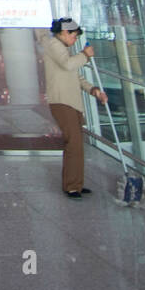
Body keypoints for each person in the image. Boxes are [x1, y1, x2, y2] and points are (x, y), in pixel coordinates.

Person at [38, 18, 107, 198]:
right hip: (62, 102)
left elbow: (74, 76)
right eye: (74, 36)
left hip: (72, 102)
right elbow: (68, 65)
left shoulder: (64, 50)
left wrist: (94, 90)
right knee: (74, 144)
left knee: (76, 145)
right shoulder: (54, 45)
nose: (75, 39)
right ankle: (72, 186)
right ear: (64, 32)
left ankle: (75, 184)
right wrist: (84, 55)